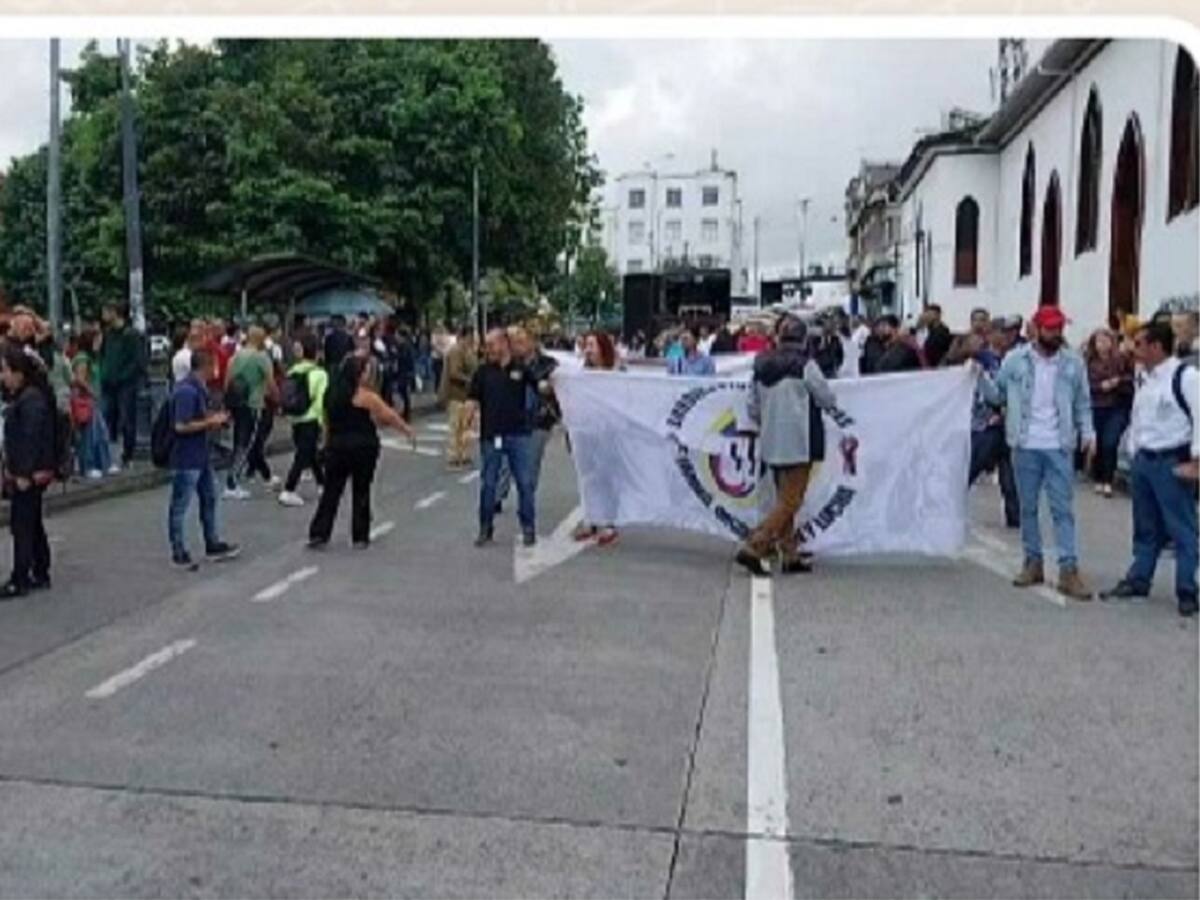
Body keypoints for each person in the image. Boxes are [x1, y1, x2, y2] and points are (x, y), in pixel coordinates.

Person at [978, 305, 1095, 600]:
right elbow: (998, 395)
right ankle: (1033, 562)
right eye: (1050, 329)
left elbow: (1082, 400)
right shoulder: (1015, 361)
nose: (1056, 334)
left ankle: (1068, 568)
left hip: (1059, 443)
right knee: (1027, 507)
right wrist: (978, 377)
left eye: (1059, 328)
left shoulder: (1072, 362)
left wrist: (1088, 432)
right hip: (1025, 441)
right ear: (1036, 329)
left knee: (1062, 509)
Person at [1100, 322, 1198, 617]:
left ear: (1157, 346)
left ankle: (1187, 589)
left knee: (1182, 528)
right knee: (1146, 526)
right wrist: (1133, 449)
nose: (1134, 349)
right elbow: (1139, 414)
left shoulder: (1186, 377)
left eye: (1140, 344)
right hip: (1145, 459)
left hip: (1171, 460)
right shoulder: (1145, 376)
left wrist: (1196, 460)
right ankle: (1139, 577)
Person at [735, 317, 836, 577]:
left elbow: (752, 407)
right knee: (791, 500)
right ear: (803, 339)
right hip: (801, 439)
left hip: (771, 440)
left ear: (779, 337)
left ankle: (790, 554)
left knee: (784, 500)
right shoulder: (806, 365)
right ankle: (755, 546)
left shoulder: (760, 364)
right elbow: (827, 399)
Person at [308, 354, 416, 550]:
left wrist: (326, 444)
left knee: (331, 491)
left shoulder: (331, 394)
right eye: (365, 371)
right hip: (363, 446)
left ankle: (319, 532)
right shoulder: (365, 396)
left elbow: (326, 423)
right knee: (361, 490)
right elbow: (387, 414)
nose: (368, 374)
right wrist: (406, 429)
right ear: (358, 374)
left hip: (338, 446)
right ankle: (359, 535)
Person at [167, 350, 240, 570]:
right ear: (206, 366)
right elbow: (181, 425)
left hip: (200, 455)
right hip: (187, 457)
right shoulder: (187, 392)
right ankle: (178, 551)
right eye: (214, 365)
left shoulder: (198, 389)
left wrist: (213, 418)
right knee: (180, 506)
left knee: (209, 498)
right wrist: (210, 423)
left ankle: (212, 542)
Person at [468, 329, 541, 548]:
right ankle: (485, 527)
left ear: (504, 344)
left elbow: (540, 387)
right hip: (492, 435)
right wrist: (468, 418)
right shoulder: (482, 372)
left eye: (491, 344)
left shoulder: (521, 369)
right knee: (489, 483)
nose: (488, 348)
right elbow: (472, 398)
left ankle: (528, 526)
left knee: (525, 483)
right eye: (486, 344)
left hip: (519, 434)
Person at [0, 346, 56, 598]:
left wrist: (23, 472)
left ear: (19, 373)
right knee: (31, 521)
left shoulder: (30, 399)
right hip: (27, 470)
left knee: (22, 523)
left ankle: (21, 576)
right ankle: (40, 570)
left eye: (5, 371)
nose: (2, 377)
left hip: (28, 473)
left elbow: (31, 438)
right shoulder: (26, 397)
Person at [951, 330, 1020, 529]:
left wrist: (1002, 410)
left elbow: (999, 393)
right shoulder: (954, 365)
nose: (980, 344)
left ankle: (1014, 514)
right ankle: (949, 507)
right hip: (976, 426)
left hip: (997, 424)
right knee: (969, 469)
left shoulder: (994, 364)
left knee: (1009, 474)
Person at [571, 332, 622, 547]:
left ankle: (608, 522)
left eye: (592, 345)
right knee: (588, 476)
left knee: (606, 477)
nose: (588, 349)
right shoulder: (582, 373)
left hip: (608, 433)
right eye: (586, 345)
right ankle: (591, 518)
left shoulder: (617, 373)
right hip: (586, 433)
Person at [224, 326, 279, 499]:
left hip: (237, 403)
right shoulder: (261, 358)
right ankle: (232, 483)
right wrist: (277, 400)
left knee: (239, 440)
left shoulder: (235, 357)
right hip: (254, 404)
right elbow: (271, 384)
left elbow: (227, 382)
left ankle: (243, 477)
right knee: (247, 443)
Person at [278, 333, 328, 508]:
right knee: (303, 455)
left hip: (296, 418)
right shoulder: (319, 373)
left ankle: (322, 484)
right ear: (317, 352)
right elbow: (321, 401)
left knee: (310, 452)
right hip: (311, 418)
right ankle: (289, 489)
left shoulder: (293, 371)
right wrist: (324, 423)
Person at [1084, 327, 1134, 497]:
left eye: (1106, 341)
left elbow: (1131, 378)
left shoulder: (1121, 359)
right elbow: (1084, 385)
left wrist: (1117, 381)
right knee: (1097, 443)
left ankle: (1108, 480)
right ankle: (1098, 478)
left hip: (1116, 406)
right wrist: (1100, 386)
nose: (1102, 344)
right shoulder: (1089, 362)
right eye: (1099, 341)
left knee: (1110, 442)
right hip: (1096, 405)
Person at [98, 304, 145, 470]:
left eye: (106, 311)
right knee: (108, 418)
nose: (103, 314)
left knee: (126, 419)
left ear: (115, 313)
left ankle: (127, 454)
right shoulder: (108, 334)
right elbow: (103, 354)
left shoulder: (131, 335)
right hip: (109, 382)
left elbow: (138, 361)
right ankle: (111, 455)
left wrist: (123, 376)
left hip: (125, 384)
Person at [70, 351, 113, 479]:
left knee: (98, 433)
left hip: (89, 401)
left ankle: (101, 464)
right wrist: (92, 392)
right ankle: (90, 466)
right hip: (86, 401)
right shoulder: (83, 358)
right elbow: (80, 379)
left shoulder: (91, 358)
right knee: (90, 434)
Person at [440, 329, 478, 470]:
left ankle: (463, 455)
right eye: (469, 337)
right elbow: (454, 373)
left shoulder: (467, 351)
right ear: (462, 337)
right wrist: (470, 380)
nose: (471, 341)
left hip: (465, 395)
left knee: (465, 426)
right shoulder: (456, 351)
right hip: (457, 394)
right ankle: (454, 457)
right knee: (456, 426)